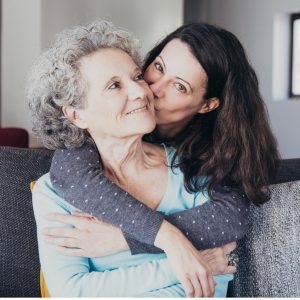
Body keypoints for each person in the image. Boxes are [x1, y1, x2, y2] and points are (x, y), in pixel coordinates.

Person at [45, 21, 279, 275]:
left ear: (207, 105)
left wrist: (125, 239)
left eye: (180, 86)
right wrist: (167, 237)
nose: (152, 90)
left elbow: (231, 217)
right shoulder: (109, 124)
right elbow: (70, 173)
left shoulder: (213, 153)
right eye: (158, 67)